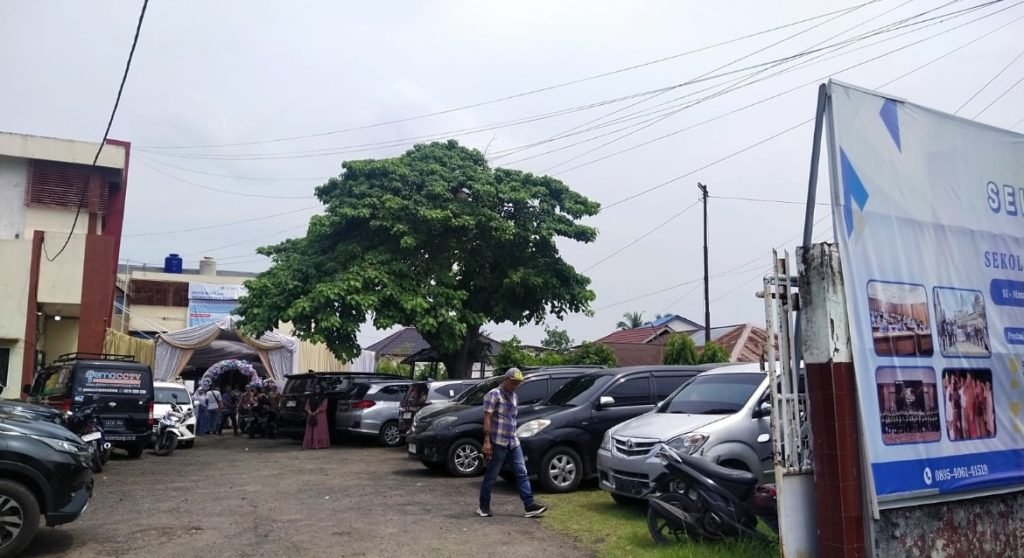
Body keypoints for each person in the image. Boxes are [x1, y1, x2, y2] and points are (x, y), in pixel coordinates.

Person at [478, 368, 547, 519]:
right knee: (492, 475)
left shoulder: (514, 396)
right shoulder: (493, 395)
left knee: (522, 472)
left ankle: (529, 505)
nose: (515, 386)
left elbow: (512, 418)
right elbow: (487, 418)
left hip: (513, 441)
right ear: (505, 380)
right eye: (513, 382)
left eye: (517, 383)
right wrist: (487, 441)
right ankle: (484, 506)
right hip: (498, 441)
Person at [303, 383, 330, 449]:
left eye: (318, 388)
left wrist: (316, 411)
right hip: (311, 415)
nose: (317, 389)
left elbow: (324, 406)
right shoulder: (310, 396)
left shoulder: (324, 397)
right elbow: (307, 405)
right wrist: (309, 411)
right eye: (315, 388)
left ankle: (319, 444)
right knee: (310, 430)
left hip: (320, 416)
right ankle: (310, 444)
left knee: (319, 429)